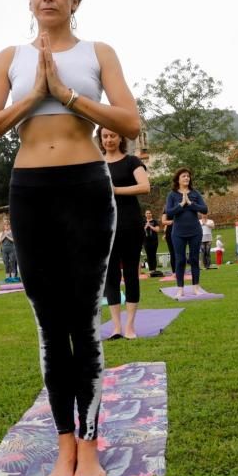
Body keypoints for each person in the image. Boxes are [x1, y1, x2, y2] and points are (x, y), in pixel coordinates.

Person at [0, 0, 140, 476]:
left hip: (86, 187)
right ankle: (63, 448)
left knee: (83, 322)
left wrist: (66, 96)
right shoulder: (10, 58)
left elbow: (130, 123)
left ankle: (89, 450)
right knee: (49, 327)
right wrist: (32, 93)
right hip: (30, 191)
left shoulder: (98, 53)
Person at [97, 127, 149, 337]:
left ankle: (130, 326)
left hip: (130, 225)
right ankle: (116, 326)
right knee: (110, 276)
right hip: (104, 227)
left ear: (120, 138)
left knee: (130, 273)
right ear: (100, 139)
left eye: (113, 135)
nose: (109, 139)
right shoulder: (96, 164)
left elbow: (145, 186)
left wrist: (115, 190)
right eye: (105, 136)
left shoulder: (132, 162)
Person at [164, 168, 208, 297]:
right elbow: (169, 213)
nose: (186, 178)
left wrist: (190, 203)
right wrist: (181, 204)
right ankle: (180, 289)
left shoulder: (195, 193)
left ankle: (196, 287)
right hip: (178, 232)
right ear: (178, 179)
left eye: (188, 176)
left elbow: (204, 209)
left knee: (194, 259)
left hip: (195, 231)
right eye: (184, 176)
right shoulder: (172, 195)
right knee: (180, 260)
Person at [143, 209, 161, 273]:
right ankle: (150, 269)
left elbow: (157, 230)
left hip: (154, 241)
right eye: (147, 213)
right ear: (145, 215)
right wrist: (146, 226)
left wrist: (150, 226)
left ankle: (154, 269)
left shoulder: (154, 221)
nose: (148, 214)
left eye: (149, 213)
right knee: (148, 255)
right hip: (146, 241)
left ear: (151, 214)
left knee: (153, 254)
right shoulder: (143, 221)